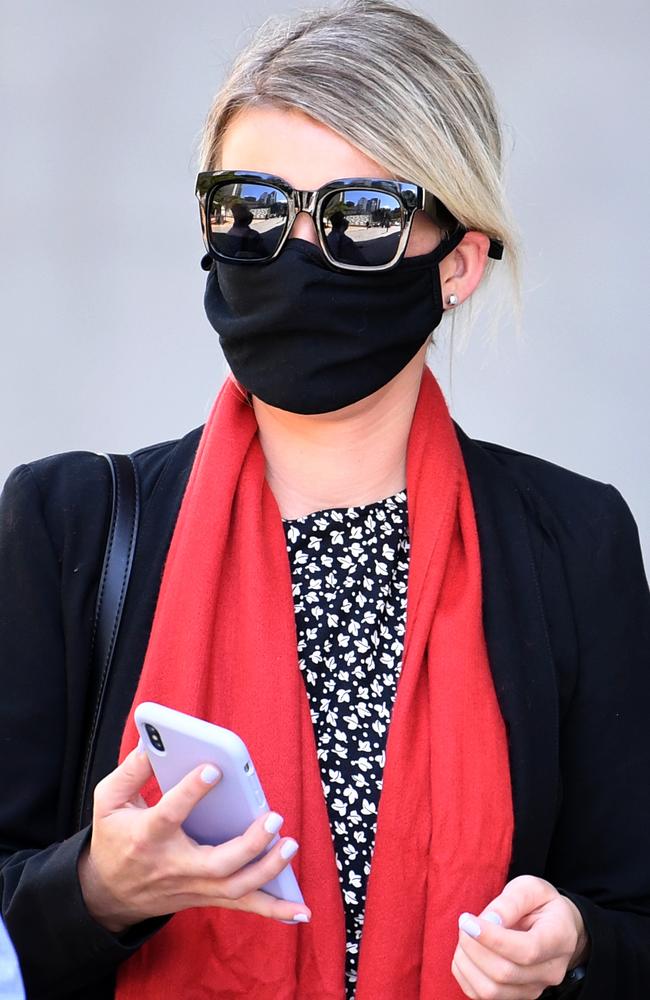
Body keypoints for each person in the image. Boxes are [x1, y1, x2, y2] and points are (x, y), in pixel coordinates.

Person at [0, 1, 648, 998]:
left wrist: (573, 947)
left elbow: (631, 914)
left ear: (458, 264)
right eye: (252, 208)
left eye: (359, 217)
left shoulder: (574, 543)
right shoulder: (67, 526)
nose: (297, 251)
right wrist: (95, 886)